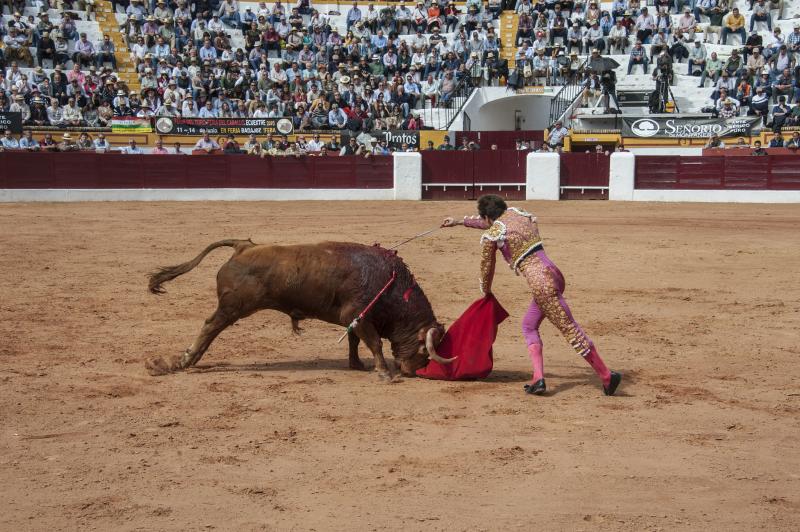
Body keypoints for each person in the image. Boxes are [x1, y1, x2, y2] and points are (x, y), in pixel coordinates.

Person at [441, 196, 621, 396]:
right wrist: (458, 221)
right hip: (554, 274)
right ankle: (538, 378)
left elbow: (487, 266)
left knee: (570, 329)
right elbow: (493, 225)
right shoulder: (517, 214)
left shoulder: (494, 232)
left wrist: (486, 290)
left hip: (540, 283)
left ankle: (606, 375)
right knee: (529, 325)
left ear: (487, 217)